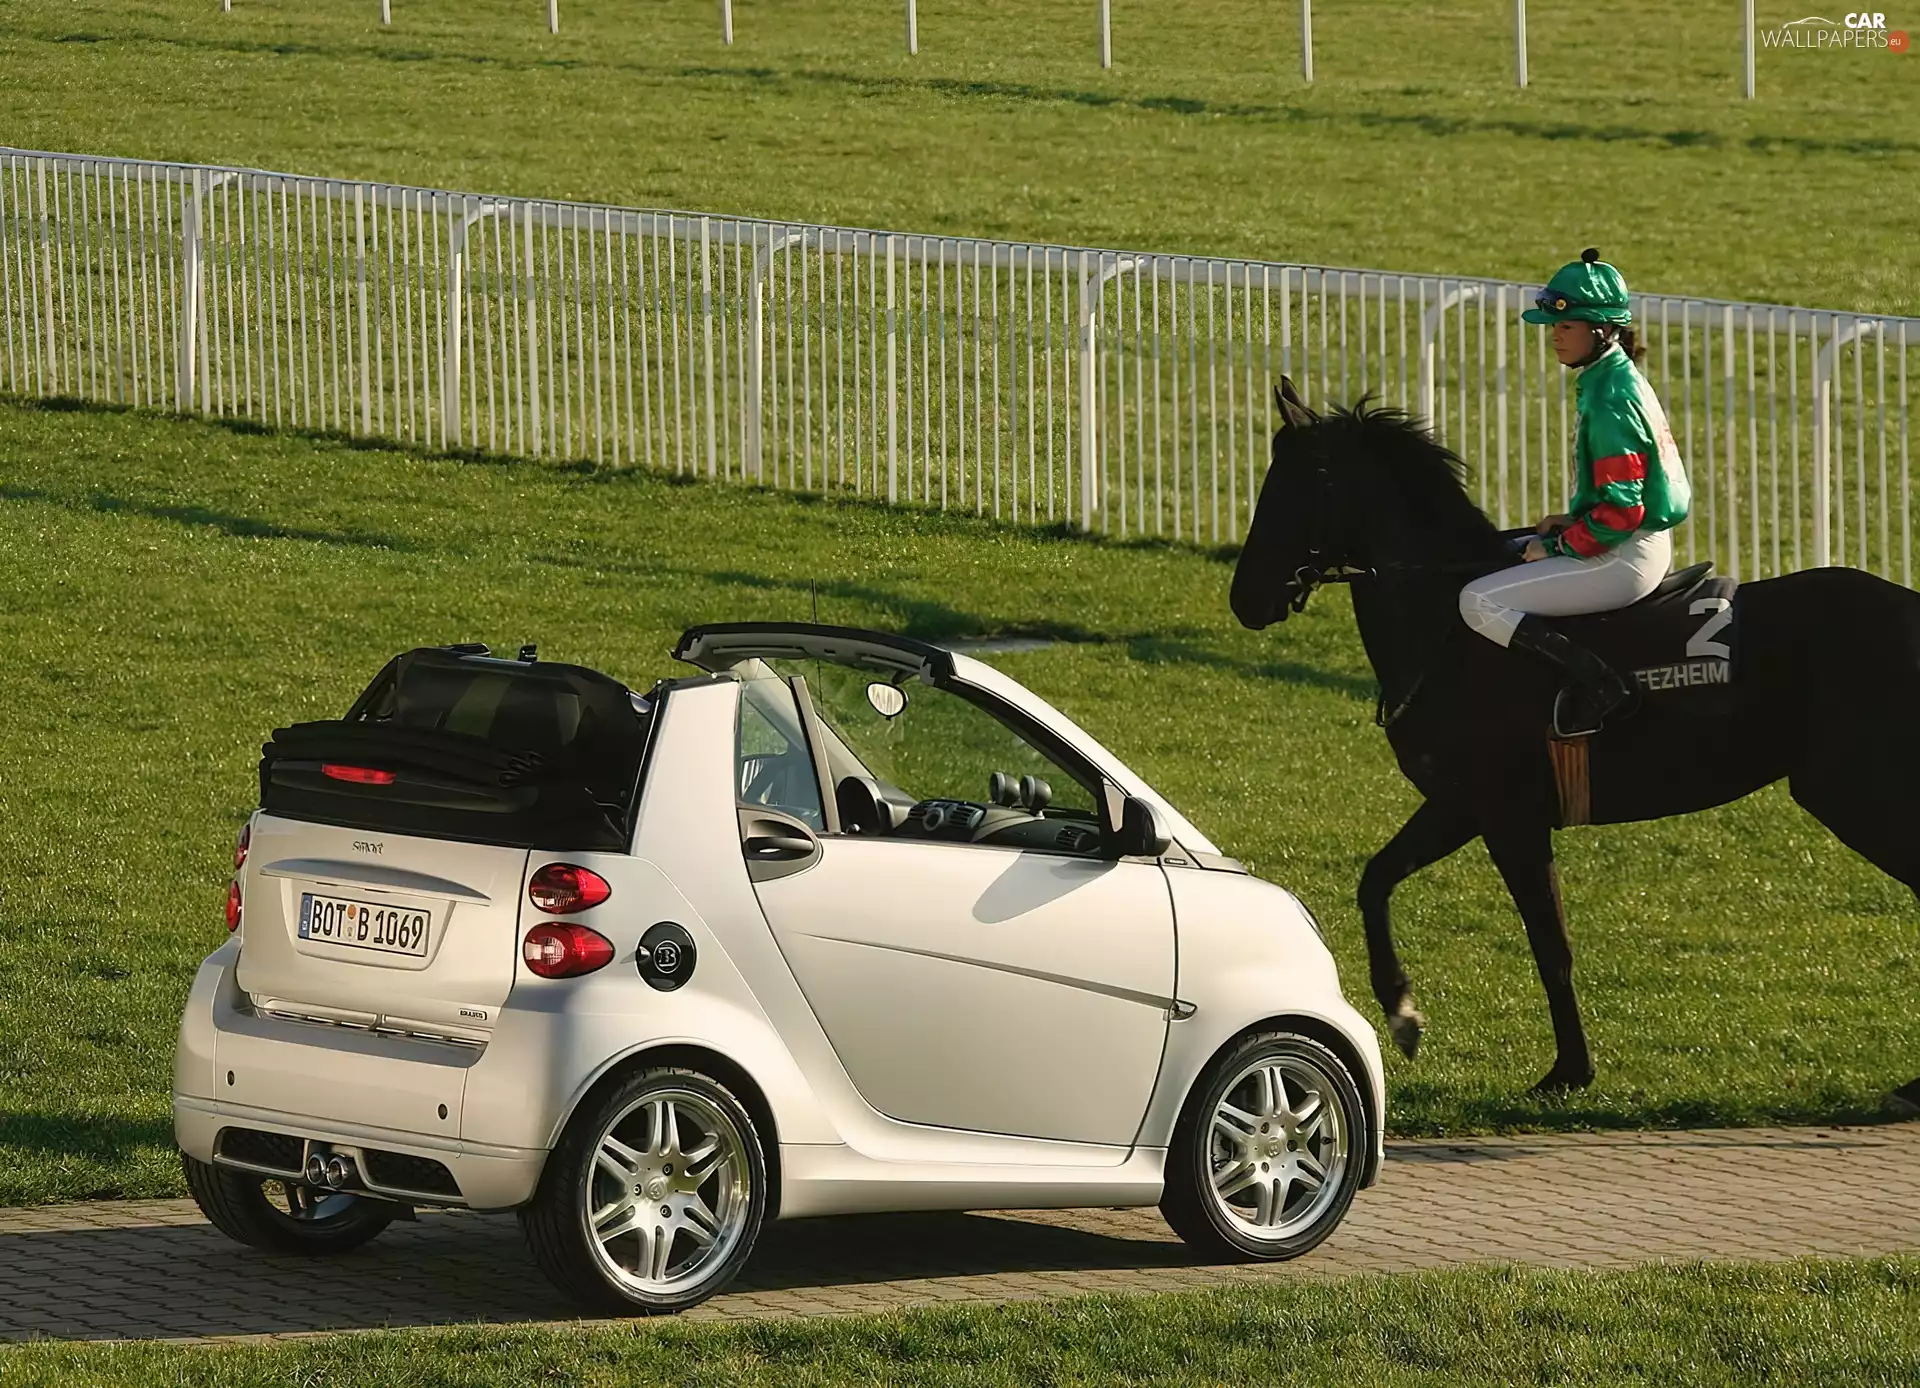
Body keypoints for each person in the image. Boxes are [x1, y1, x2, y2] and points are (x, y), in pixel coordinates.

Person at [1457, 249, 1692, 737]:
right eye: (1552, 327)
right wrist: (1573, 520)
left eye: (1566, 327)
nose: (1554, 337)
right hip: (1620, 542)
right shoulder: (1610, 377)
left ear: (1601, 330)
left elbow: (1625, 511)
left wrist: (1560, 545)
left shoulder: (1610, 397)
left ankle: (1600, 685)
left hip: (1623, 556)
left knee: (1477, 601)